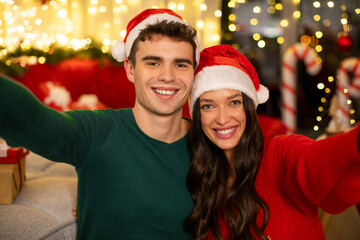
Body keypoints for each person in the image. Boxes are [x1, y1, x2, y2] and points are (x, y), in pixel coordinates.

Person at [0, 8, 200, 240]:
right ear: (130, 69)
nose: (167, 75)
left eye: (181, 64)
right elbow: (38, 123)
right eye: (153, 63)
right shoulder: (100, 132)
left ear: (194, 72)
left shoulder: (208, 144)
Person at [185, 45, 360, 240]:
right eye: (208, 106)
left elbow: (318, 160)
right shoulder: (200, 180)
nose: (223, 118)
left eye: (234, 102)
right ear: (197, 116)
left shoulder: (279, 154)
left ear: (249, 107)